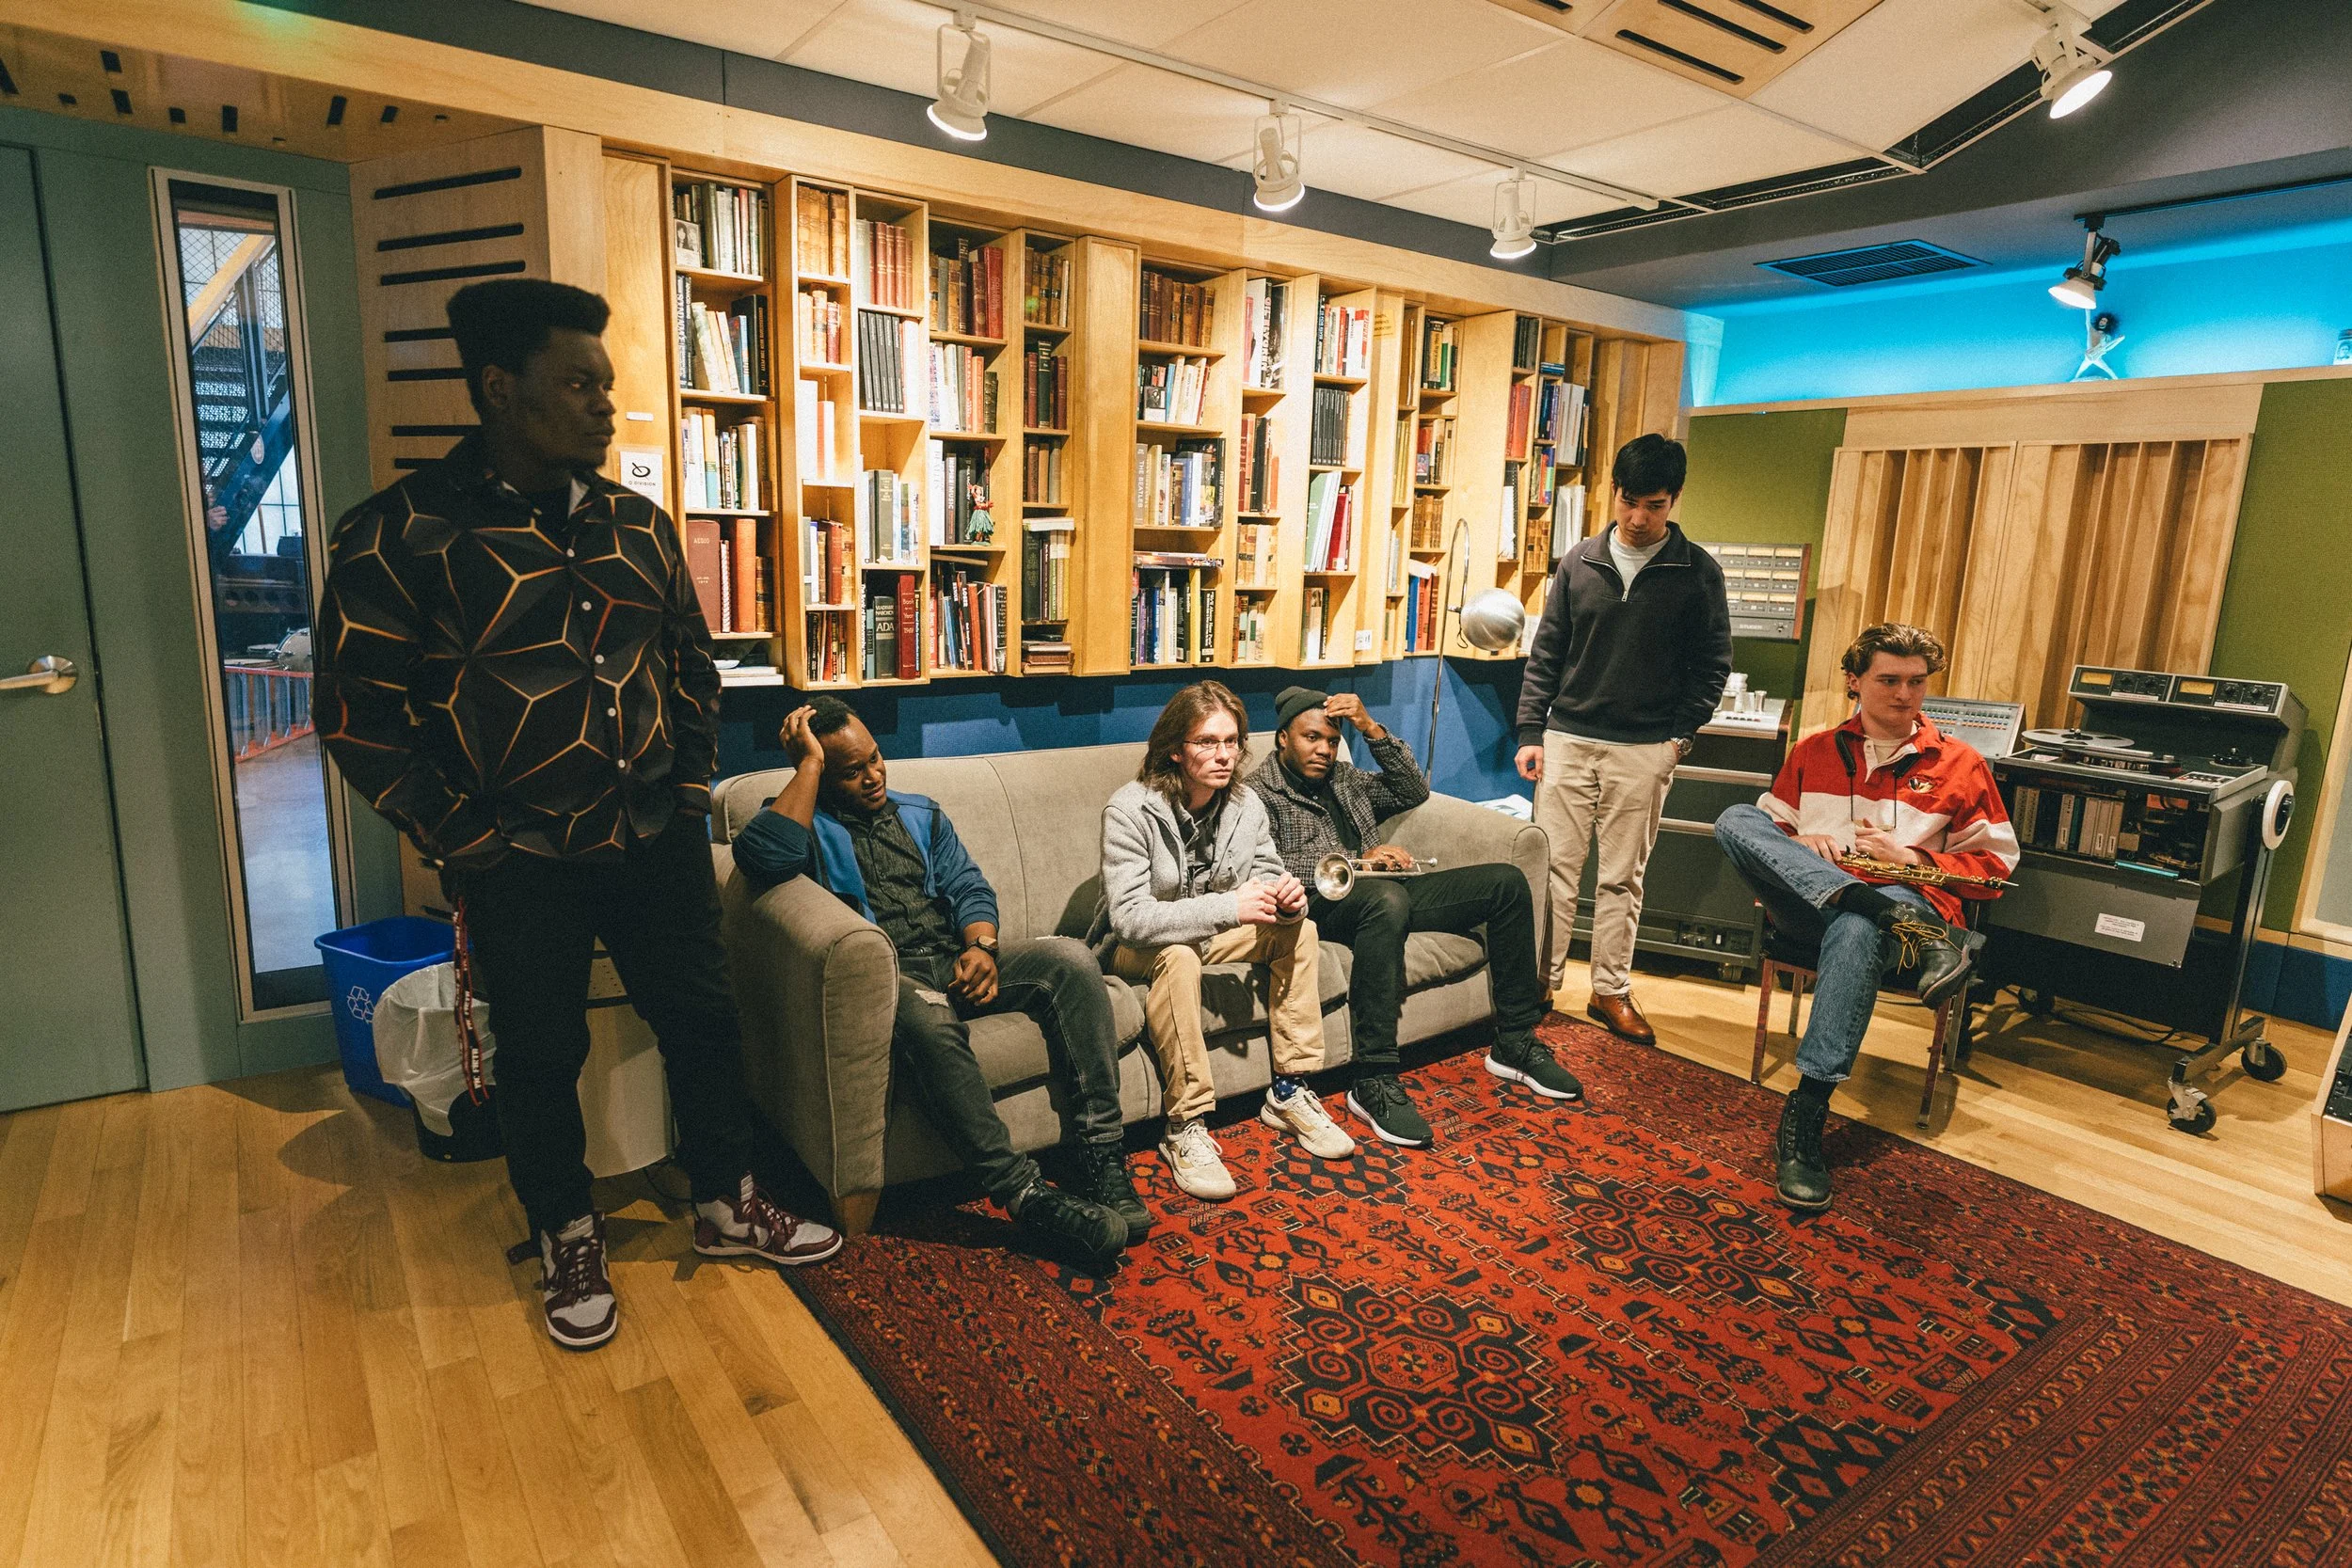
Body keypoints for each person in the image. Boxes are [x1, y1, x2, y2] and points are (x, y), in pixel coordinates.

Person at [317, 278, 837, 1353]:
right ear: (498, 389)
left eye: (606, 383)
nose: (604, 405)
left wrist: (686, 791)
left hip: (653, 836)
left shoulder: (638, 526)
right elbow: (354, 715)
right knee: (540, 1053)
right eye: (576, 384)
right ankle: (566, 1229)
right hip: (516, 855)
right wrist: (460, 836)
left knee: (703, 1021)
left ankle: (726, 1199)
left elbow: (691, 667)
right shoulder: (399, 535)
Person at [729, 697, 1142, 1272]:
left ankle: (1101, 1155)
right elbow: (762, 859)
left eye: (875, 759)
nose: (873, 776)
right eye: (851, 771)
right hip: (889, 977)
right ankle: (1023, 1193)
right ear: (820, 772)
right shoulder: (801, 823)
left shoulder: (920, 814)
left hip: (951, 958)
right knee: (931, 1024)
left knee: (1071, 961)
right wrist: (809, 767)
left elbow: (970, 887)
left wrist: (982, 948)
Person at [1712, 622, 2018, 1212]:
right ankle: (1887, 915)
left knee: (1858, 928)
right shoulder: (1814, 750)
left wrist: (1913, 858)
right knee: (1733, 819)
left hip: (1909, 903)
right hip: (1812, 904)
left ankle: (1807, 1111)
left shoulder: (1962, 763)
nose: (1904, 694)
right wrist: (1800, 842)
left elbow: (1994, 870)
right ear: (1854, 681)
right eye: (1888, 680)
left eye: (1916, 682)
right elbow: (1762, 834)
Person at [1248, 687, 1578, 1147]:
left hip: (1383, 892)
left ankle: (1515, 1040)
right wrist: (1357, 860)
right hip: (1314, 902)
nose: (1324, 750)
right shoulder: (1256, 792)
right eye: (1311, 738)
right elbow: (1267, 866)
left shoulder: (1344, 777)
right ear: (1283, 738)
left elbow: (1411, 787)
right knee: (1386, 900)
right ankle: (1373, 1076)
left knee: (1505, 883)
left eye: (1333, 740)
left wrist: (1370, 728)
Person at [1095, 681, 1350, 1201]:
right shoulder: (1129, 810)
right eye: (1207, 742)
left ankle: (1290, 1090)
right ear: (1175, 748)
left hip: (1211, 934)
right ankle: (1185, 1125)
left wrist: (1287, 898)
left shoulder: (1245, 803)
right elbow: (1130, 919)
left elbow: (1267, 870)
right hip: (1138, 947)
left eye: (1231, 741)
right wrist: (1229, 908)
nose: (1224, 755)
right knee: (1179, 956)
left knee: (1300, 931)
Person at [1516, 433, 1731, 1046]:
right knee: (1553, 870)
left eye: (1654, 505)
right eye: (1629, 501)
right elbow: (1547, 652)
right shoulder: (1578, 562)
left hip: (1644, 749)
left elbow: (1712, 665)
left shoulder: (1698, 573)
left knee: (1621, 879)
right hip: (1568, 738)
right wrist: (1532, 729)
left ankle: (1610, 989)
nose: (1638, 518)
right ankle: (1540, 981)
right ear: (1614, 491)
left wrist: (1677, 740)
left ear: (1674, 500)